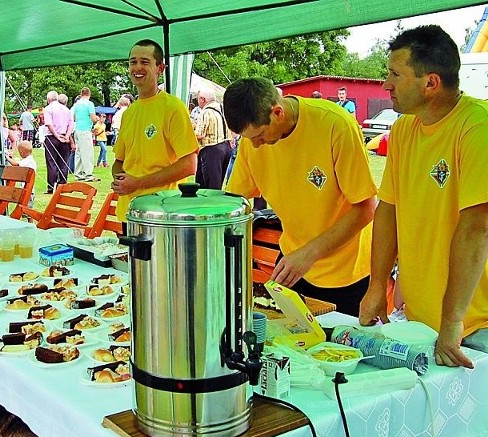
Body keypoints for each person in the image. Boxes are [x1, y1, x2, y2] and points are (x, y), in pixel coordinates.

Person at [358, 25, 488, 368]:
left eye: (395, 75)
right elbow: (388, 210)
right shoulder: (403, 129)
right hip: (421, 324)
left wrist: (452, 321)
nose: (386, 85)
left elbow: (477, 227)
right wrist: (376, 287)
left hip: (474, 329)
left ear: (430, 83)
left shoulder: (477, 128)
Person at [224, 77, 377, 316]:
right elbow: (234, 201)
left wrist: (309, 253)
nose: (255, 146)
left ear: (277, 112)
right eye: (249, 138)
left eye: (260, 136)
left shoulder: (335, 125)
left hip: (344, 271)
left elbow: (366, 208)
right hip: (293, 262)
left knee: (337, 350)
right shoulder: (252, 142)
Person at [111, 39, 199, 222]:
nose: (137, 67)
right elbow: (119, 161)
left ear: (160, 68)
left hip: (161, 214)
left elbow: (190, 164)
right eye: (133, 62)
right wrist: (120, 180)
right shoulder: (129, 113)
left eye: (145, 62)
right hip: (129, 213)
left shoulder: (173, 108)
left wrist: (138, 183)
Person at [194, 87, 232, 189]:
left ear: (203, 99)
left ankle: (209, 204)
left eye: (198, 99)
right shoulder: (223, 109)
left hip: (212, 149)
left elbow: (199, 134)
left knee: (209, 185)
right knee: (218, 183)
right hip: (226, 147)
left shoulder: (206, 112)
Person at [43, 90, 73, 193]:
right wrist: (67, 136)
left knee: (51, 162)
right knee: (64, 162)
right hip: (64, 136)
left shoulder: (48, 109)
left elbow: (49, 124)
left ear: (48, 99)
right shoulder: (66, 109)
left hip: (52, 137)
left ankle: (51, 186)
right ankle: (62, 185)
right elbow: (71, 124)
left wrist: (56, 135)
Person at [73, 87, 98, 181]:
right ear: (89, 94)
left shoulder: (76, 104)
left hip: (77, 130)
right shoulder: (89, 104)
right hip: (85, 130)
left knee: (78, 153)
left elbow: (74, 118)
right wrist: (97, 119)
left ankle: (78, 173)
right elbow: (93, 118)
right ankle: (88, 174)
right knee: (87, 153)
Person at [6, 140, 37, 214]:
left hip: (28, 190)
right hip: (25, 188)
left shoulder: (28, 160)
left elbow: (15, 164)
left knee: (27, 209)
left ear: (22, 152)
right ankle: (28, 221)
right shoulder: (28, 160)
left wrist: (7, 157)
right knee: (24, 208)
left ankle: (30, 222)